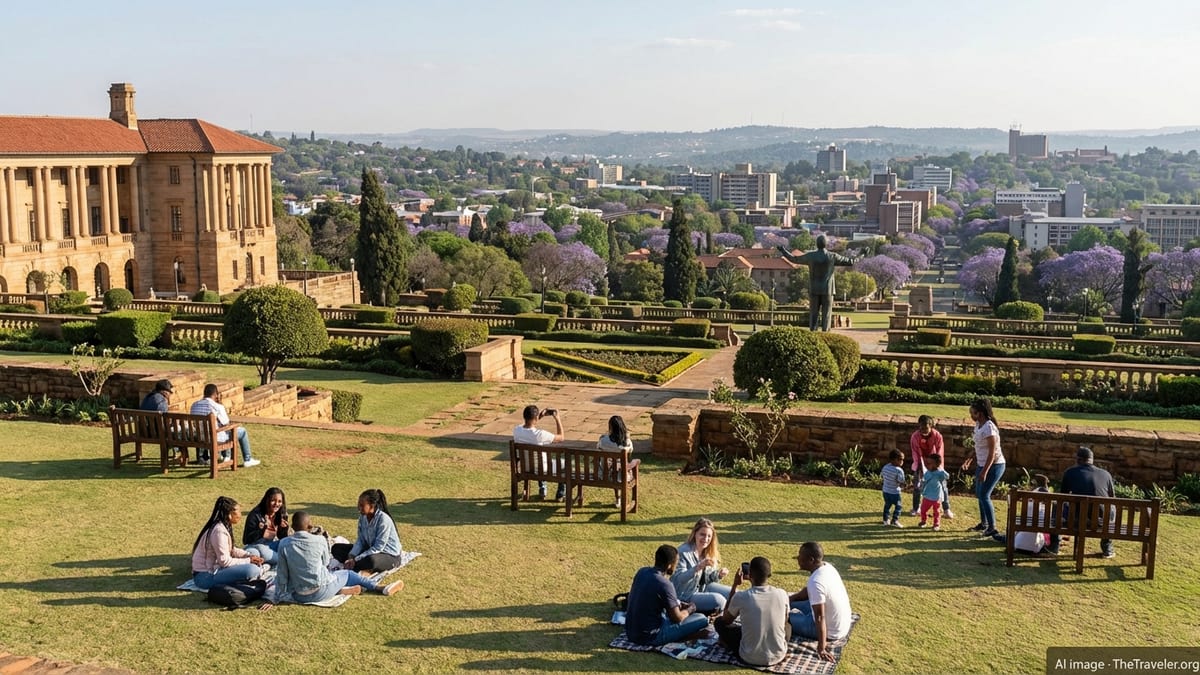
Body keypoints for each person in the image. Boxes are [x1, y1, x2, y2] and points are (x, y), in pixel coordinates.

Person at [276, 511, 403, 603]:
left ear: (292, 527)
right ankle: (378, 587)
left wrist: (277, 597)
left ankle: (343, 590)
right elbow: (326, 562)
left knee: (338, 567)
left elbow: (281, 572)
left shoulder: (283, 544)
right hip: (321, 590)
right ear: (310, 526)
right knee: (348, 574)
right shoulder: (319, 540)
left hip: (299, 595)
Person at [625, 544, 711, 646]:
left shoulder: (642, 572)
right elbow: (677, 618)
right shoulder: (665, 584)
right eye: (676, 563)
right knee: (701, 619)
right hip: (651, 636)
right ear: (670, 565)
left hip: (631, 632)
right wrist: (690, 609)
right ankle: (686, 637)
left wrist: (676, 603)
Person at [714, 556, 791, 668]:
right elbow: (785, 620)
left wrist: (735, 585)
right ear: (769, 574)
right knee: (788, 626)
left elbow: (726, 619)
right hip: (778, 655)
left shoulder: (741, 596)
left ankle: (725, 642)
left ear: (750, 575)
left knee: (719, 622)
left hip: (749, 656)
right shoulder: (782, 594)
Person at [789, 542, 853, 663]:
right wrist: (791, 599)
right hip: (838, 622)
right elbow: (808, 592)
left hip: (831, 631)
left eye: (800, 556)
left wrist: (821, 648)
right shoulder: (826, 567)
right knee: (785, 603)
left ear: (811, 560)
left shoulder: (816, 582)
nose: (798, 558)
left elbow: (819, 617)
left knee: (782, 617)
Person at [1046, 447, 1116, 558]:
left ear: (1078, 460)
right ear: (1092, 460)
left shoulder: (1070, 473)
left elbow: (1062, 498)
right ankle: (1107, 546)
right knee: (1111, 507)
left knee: (1056, 505)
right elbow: (1112, 498)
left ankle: (1054, 545)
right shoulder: (1106, 474)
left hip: (1075, 520)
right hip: (1101, 523)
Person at [776, 235, 855, 331]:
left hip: (814, 289)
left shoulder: (811, 256)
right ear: (826, 244)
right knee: (827, 315)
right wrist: (862, 254)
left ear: (817, 244)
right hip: (828, 290)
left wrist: (784, 251)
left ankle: (813, 334)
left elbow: (794, 259)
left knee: (813, 315)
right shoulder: (832, 256)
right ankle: (825, 334)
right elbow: (851, 261)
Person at [190, 496, 264, 590]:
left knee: (254, 553)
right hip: (206, 577)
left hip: (217, 569)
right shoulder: (219, 532)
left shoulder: (224, 525)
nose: (240, 515)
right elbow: (224, 561)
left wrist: (248, 555)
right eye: (238, 512)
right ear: (229, 515)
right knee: (252, 570)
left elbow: (231, 549)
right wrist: (248, 560)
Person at [962, 398, 1006, 537]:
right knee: (979, 494)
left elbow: (992, 453)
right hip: (982, 464)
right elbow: (977, 446)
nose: (971, 416)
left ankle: (992, 527)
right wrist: (969, 460)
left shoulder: (989, 428)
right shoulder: (978, 425)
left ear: (980, 413)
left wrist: (984, 472)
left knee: (984, 495)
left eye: (973, 413)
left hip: (995, 465)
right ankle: (984, 524)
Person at [330, 489, 403, 572]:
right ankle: (354, 564)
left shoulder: (383, 519)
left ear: (372, 506)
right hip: (370, 549)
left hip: (388, 555)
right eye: (358, 505)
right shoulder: (363, 517)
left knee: (371, 561)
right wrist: (351, 556)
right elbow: (360, 540)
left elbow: (378, 547)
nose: (359, 508)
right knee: (336, 548)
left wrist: (356, 559)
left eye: (362, 505)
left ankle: (355, 565)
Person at [190, 383, 260, 468]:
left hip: (200, 437)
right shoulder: (217, 406)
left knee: (223, 431)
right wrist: (234, 425)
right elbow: (226, 423)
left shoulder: (194, 405)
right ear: (215, 394)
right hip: (215, 438)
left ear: (204, 393)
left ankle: (224, 456)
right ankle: (247, 459)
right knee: (242, 431)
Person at [670, 518, 732, 613]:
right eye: (702, 534)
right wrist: (698, 567)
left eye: (709, 536)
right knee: (720, 601)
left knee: (734, 594)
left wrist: (719, 575)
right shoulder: (683, 552)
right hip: (685, 595)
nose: (706, 539)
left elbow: (708, 579)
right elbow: (680, 579)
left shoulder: (708, 552)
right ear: (695, 533)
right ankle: (722, 622)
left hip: (703, 588)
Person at [513, 404, 565, 501]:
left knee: (538, 462)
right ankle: (560, 494)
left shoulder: (516, 431)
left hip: (525, 468)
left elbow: (526, 425)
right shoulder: (540, 434)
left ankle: (542, 488)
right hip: (542, 469)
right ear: (536, 418)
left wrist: (538, 417)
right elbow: (561, 437)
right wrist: (557, 418)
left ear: (524, 416)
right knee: (563, 463)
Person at [909, 415, 953, 519]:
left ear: (931, 426)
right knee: (917, 486)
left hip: (935, 464)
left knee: (943, 486)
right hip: (921, 464)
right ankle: (916, 508)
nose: (923, 430)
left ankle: (946, 509)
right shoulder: (915, 436)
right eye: (921, 428)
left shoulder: (937, 436)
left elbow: (939, 452)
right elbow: (915, 452)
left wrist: (936, 465)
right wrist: (920, 466)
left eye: (926, 428)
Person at [242, 487, 289, 565]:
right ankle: (277, 561)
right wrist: (262, 532)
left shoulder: (281, 514)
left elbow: (282, 538)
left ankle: (271, 562)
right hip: (255, 546)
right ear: (267, 500)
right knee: (255, 554)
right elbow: (246, 540)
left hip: (272, 546)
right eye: (273, 500)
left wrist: (284, 529)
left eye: (280, 501)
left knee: (287, 544)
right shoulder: (255, 515)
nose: (277, 504)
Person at [598, 415, 633, 507]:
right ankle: (621, 498)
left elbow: (598, 448)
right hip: (623, 475)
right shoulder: (627, 442)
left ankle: (618, 498)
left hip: (604, 475)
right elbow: (630, 454)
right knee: (619, 469)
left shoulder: (603, 440)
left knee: (613, 469)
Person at [917, 454, 950, 531]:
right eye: (927, 463)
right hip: (927, 495)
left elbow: (947, 476)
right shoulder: (927, 472)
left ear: (936, 465)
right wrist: (921, 488)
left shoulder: (940, 473)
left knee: (937, 512)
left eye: (929, 463)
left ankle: (936, 524)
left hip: (937, 496)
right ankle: (923, 521)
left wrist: (941, 469)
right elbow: (924, 481)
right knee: (923, 510)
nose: (927, 465)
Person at [880, 449, 906, 527]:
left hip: (885, 491)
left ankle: (885, 520)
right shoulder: (899, 470)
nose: (902, 461)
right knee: (898, 506)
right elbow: (901, 481)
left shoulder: (885, 467)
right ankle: (895, 520)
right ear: (894, 459)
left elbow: (883, 476)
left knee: (887, 505)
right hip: (895, 492)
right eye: (900, 459)